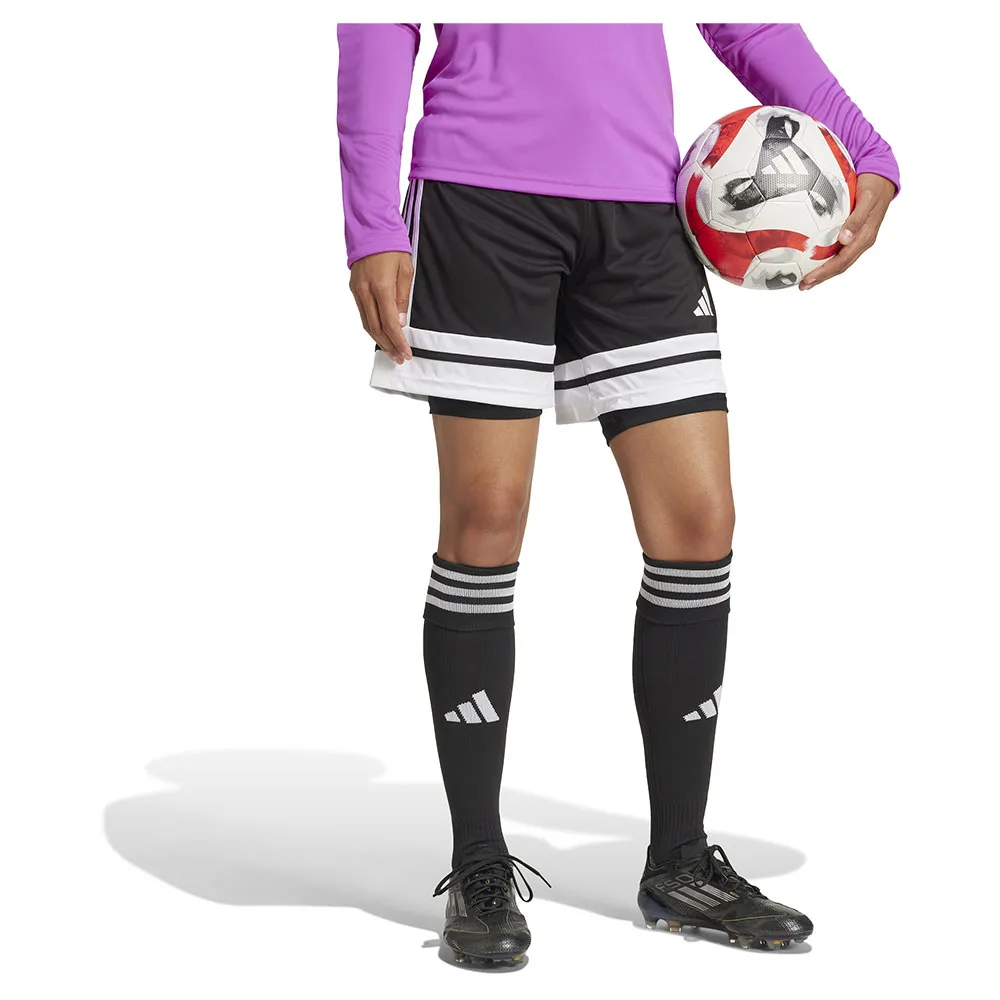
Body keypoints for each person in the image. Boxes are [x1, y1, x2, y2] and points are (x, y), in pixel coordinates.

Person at [336, 22, 897, 965]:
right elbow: (379, 22)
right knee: (486, 519)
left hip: (641, 209)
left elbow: (743, 18)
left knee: (699, 522)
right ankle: (479, 863)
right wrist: (371, 223)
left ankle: (678, 859)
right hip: (480, 200)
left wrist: (866, 145)